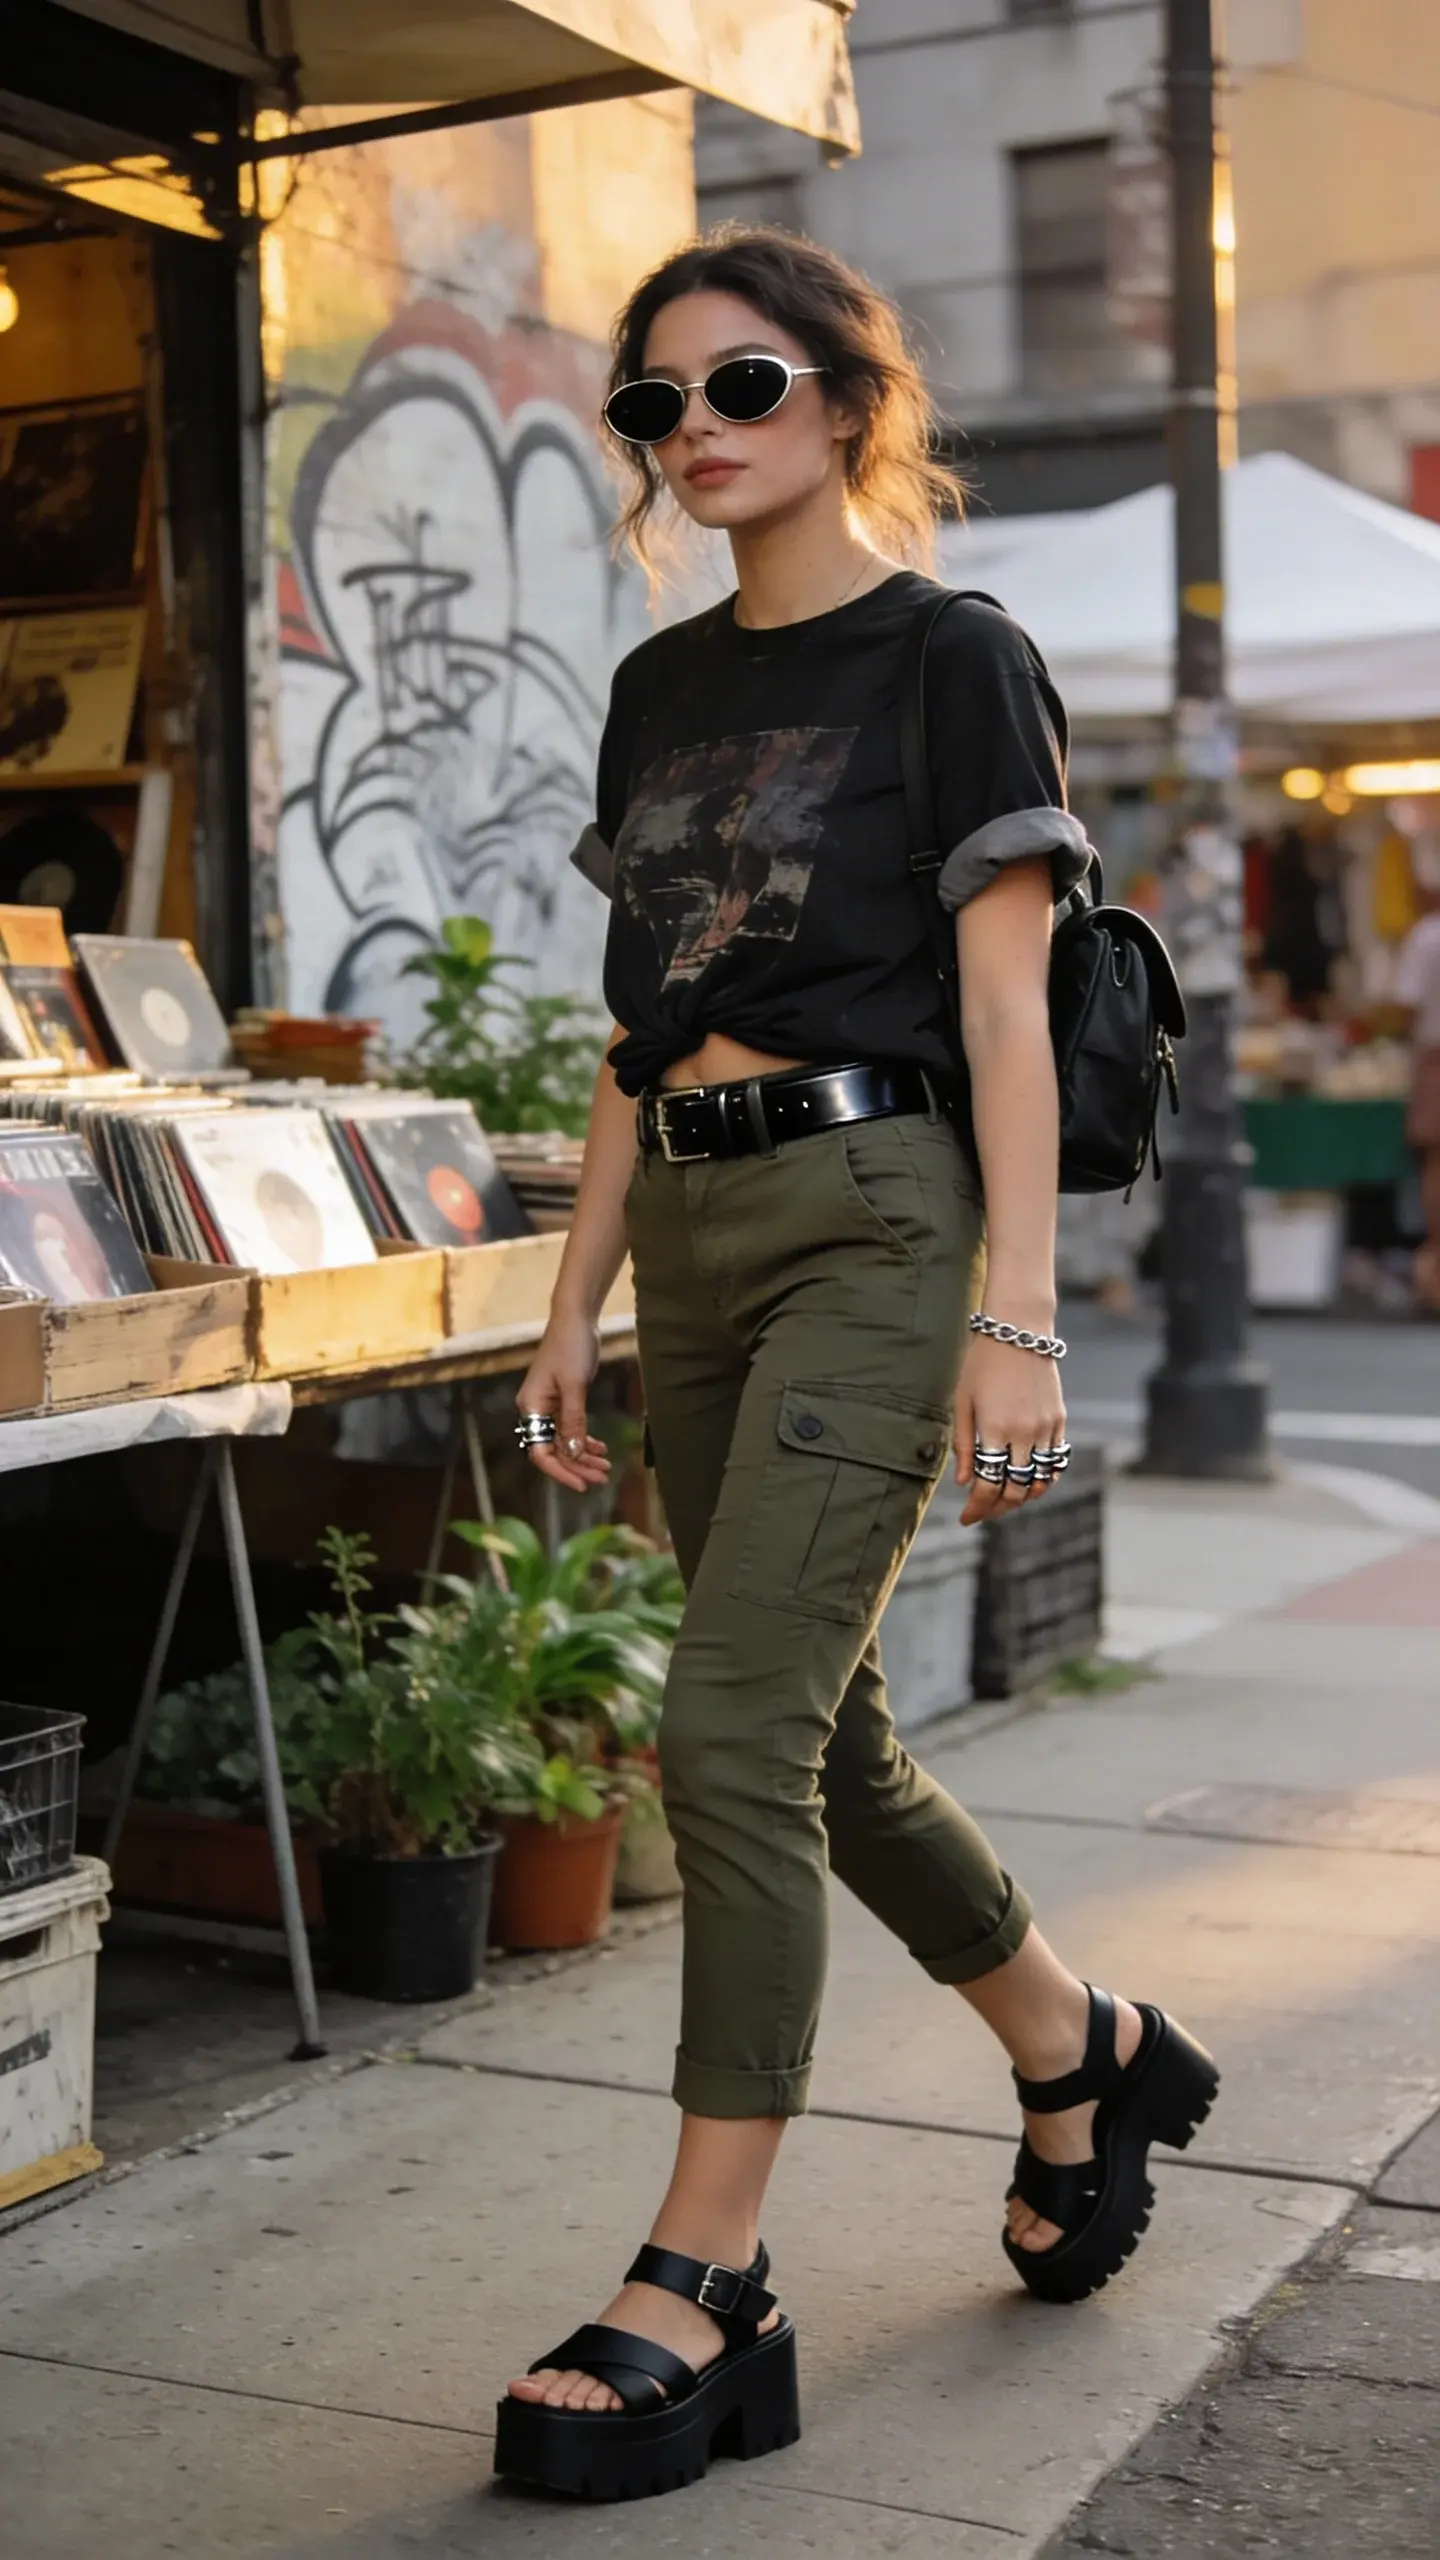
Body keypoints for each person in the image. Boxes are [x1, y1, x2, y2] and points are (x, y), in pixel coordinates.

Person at [497, 228, 1219, 2503]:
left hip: (879, 1219)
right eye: (653, 405)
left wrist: (1015, 1317)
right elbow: (635, 1030)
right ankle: (1077, 2042)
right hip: (696, 1231)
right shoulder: (658, 689)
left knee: (722, 1723)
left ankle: (705, 2274)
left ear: (844, 401)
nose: (696, 428)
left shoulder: (951, 658)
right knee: (826, 1748)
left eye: (740, 384)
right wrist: (569, 1296)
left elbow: (1006, 1009)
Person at [1394, 871, 1440, 1313]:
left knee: (1436, 1164)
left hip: (1436, 1058)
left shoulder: (1427, 937)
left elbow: (1406, 1004)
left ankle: (1436, 1265)